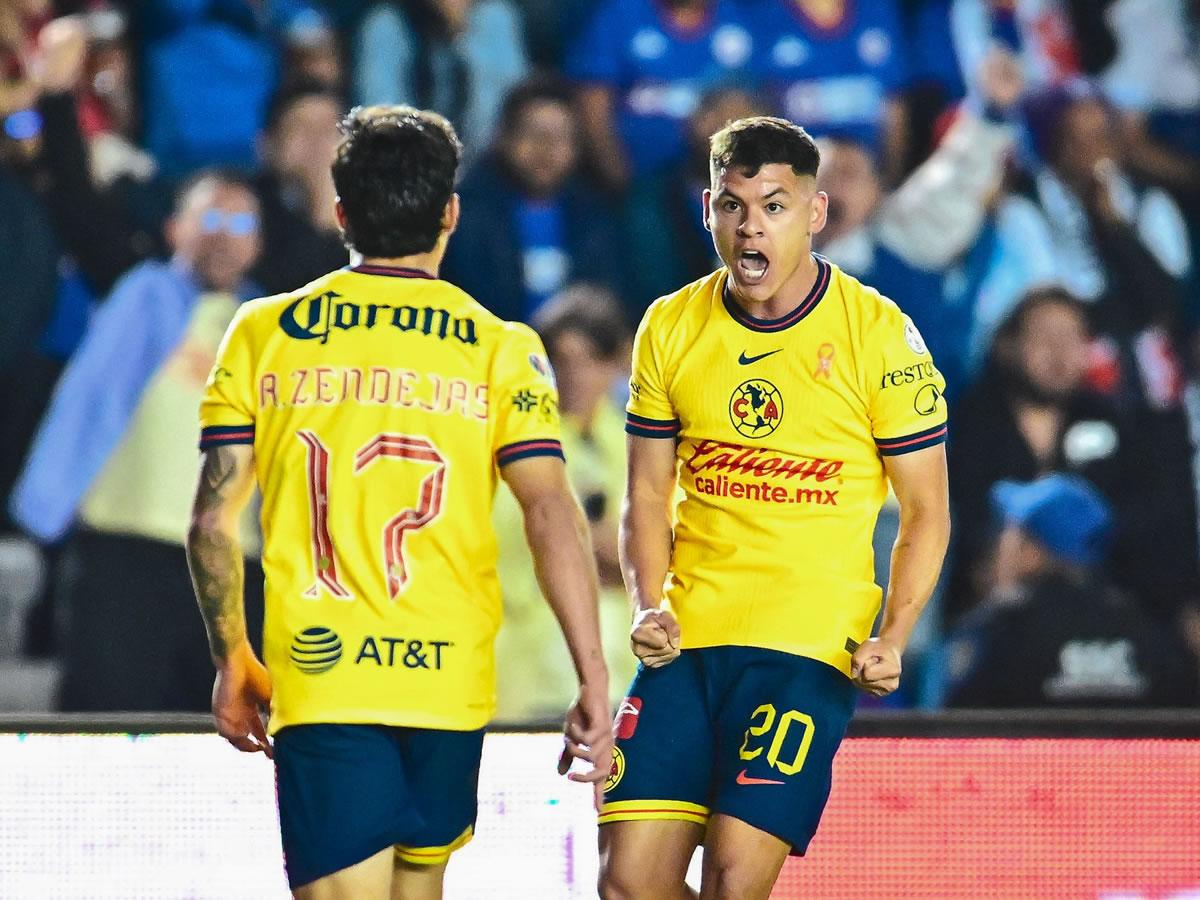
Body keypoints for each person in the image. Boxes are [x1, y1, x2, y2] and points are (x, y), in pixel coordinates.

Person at [185, 105, 612, 898]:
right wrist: (594, 675)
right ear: (450, 213)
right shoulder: (503, 347)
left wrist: (231, 657)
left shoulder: (263, 332)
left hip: (327, 680)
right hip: (448, 684)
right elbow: (551, 513)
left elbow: (212, 520)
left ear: (341, 212)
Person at [599, 117, 950, 899]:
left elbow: (927, 511)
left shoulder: (879, 334)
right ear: (707, 211)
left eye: (775, 206)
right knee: (627, 884)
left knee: (733, 882)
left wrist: (893, 635)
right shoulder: (670, 325)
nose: (751, 226)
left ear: (816, 212)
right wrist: (647, 604)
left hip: (804, 651)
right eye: (733, 205)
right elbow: (646, 493)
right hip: (688, 644)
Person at [10, 170, 266, 710]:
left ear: (258, 244)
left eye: (241, 223)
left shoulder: (270, 328)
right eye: (209, 217)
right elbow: (87, 401)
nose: (224, 234)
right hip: (123, 558)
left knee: (217, 737)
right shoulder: (143, 296)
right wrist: (43, 509)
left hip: (230, 574)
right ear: (174, 229)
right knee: (106, 725)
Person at [492, 284, 637, 723]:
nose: (574, 376)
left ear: (616, 363)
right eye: (561, 361)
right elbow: (524, 538)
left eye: (589, 360)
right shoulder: (519, 442)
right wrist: (599, 547)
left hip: (623, 669)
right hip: (529, 671)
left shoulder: (633, 441)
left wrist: (608, 550)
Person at [944, 473, 1200, 708]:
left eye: (1009, 534)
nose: (999, 547)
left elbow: (956, 726)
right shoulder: (1149, 635)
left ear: (1031, 553)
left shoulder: (996, 636)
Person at [441, 77, 625, 324]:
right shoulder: (465, 214)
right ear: (503, 138)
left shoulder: (595, 214)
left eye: (560, 136)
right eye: (533, 132)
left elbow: (607, 302)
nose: (546, 148)